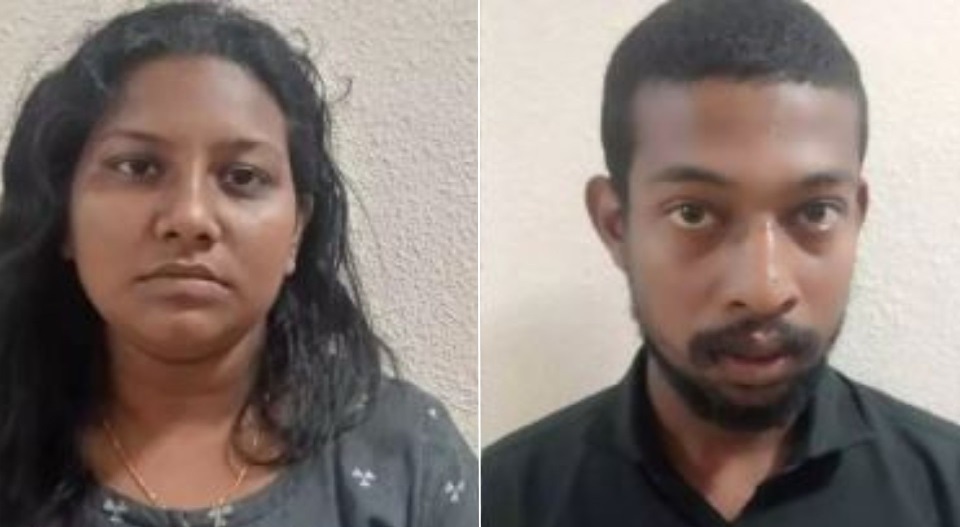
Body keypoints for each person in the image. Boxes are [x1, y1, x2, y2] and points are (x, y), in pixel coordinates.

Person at [483, 0, 960, 525]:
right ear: (617, 225)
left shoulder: (947, 488)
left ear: (857, 216)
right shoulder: (499, 500)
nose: (763, 289)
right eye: (693, 214)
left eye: (815, 211)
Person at [0, 2, 476, 526]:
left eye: (242, 177)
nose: (190, 217)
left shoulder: (408, 459)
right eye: (138, 167)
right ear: (63, 216)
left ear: (296, 230)